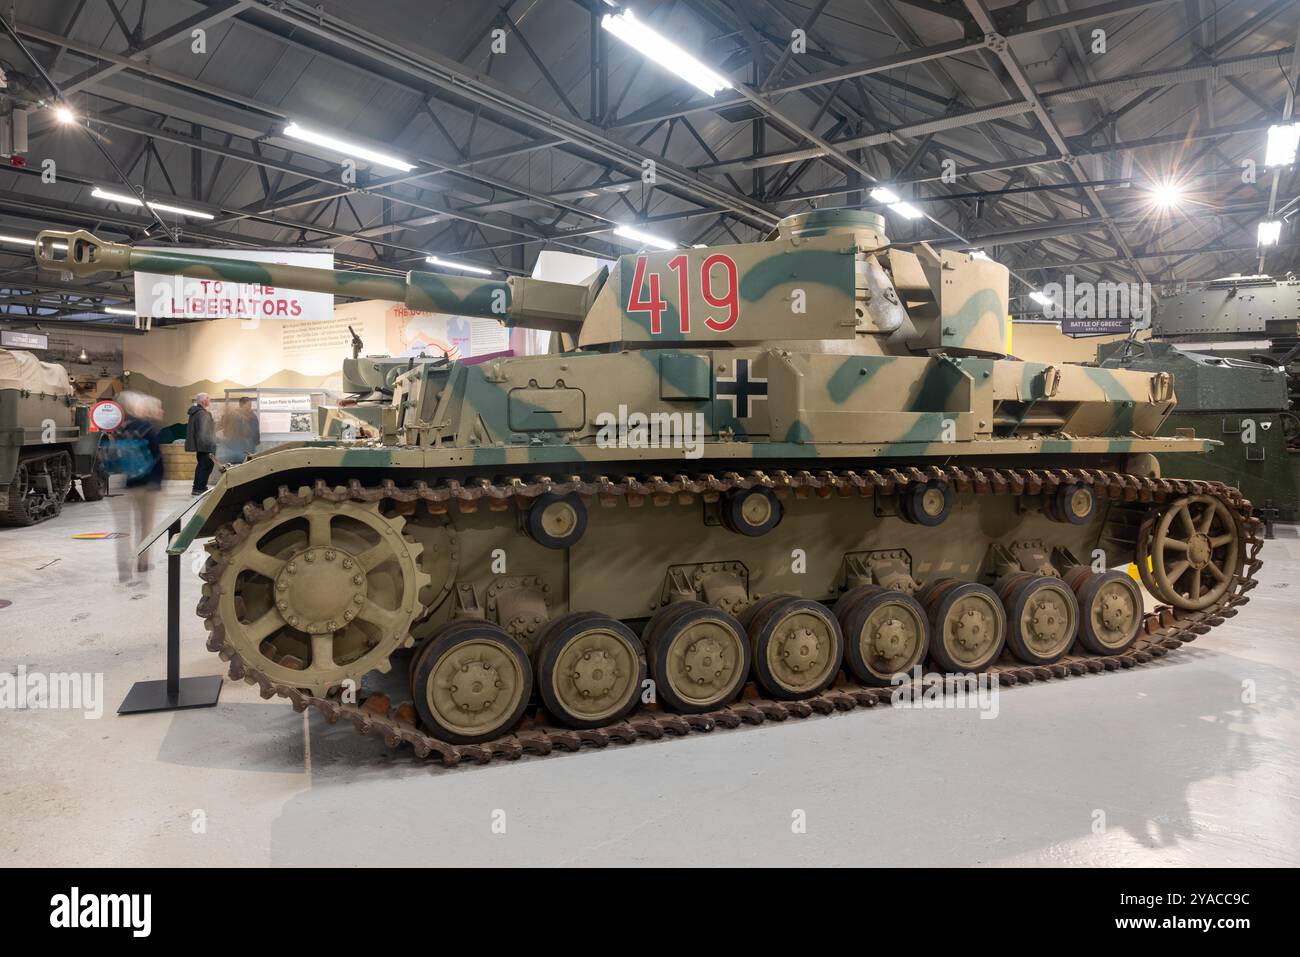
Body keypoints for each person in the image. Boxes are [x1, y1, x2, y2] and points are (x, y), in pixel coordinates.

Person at [112, 391, 164, 586]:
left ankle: (123, 568)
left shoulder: (119, 430)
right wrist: (157, 481)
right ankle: (143, 562)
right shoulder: (146, 428)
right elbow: (157, 457)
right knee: (146, 526)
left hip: (127, 483)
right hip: (147, 484)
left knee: (124, 529)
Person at [186, 392, 217, 495]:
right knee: (206, 466)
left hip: (200, 445)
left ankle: (197, 487)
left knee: (201, 466)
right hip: (206, 446)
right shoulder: (203, 414)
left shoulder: (195, 412)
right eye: (208, 399)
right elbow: (205, 431)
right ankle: (200, 488)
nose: (210, 401)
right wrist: (211, 444)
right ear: (204, 401)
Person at [219, 396, 260, 465]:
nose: (250, 407)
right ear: (243, 404)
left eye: (250, 405)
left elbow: (255, 430)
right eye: (249, 405)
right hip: (242, 444)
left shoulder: (250, 415)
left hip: (245, 444)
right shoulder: (238, 415)